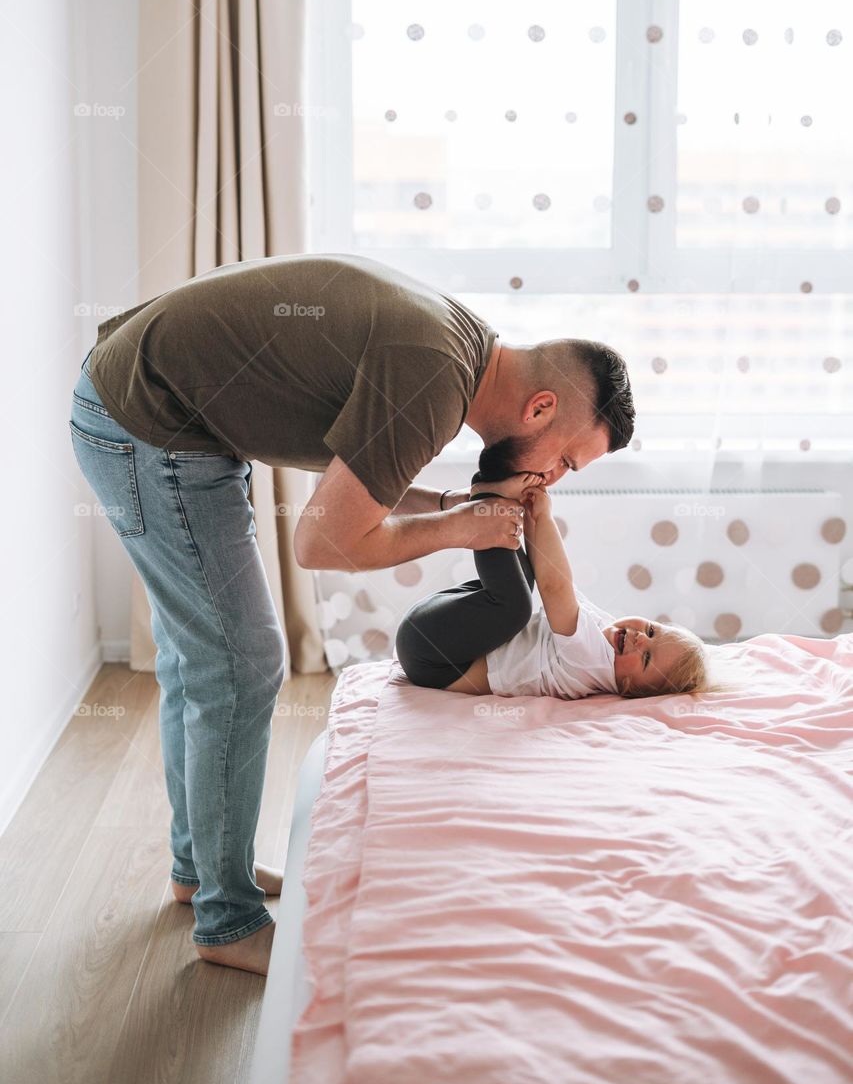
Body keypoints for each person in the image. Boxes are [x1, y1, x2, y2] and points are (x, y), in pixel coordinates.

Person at [69, 252, 635, 975]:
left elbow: (360, 474)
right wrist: (460, 530)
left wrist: (445, 507)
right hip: (146, 424)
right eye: (566, 462)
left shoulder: (459, 352)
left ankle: (201, 873)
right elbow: (322, 541)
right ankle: (227, 920)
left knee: (201, 657)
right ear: (541, 408)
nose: (551, 479)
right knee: (241, 665)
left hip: (158, 410)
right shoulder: (433, 378)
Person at [396, 469, 712, 701]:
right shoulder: (603, 634)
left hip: (435, 658)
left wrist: (544, 516)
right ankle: (496, 504)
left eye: (646, 658)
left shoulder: (592, 662)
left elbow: (556, 587)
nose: (640, 638)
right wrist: (531, 513)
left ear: (628, 688)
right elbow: (547, 571)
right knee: (523, 583)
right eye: (653, 631)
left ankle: (486, 502)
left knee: (514, 609)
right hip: (433, 637)